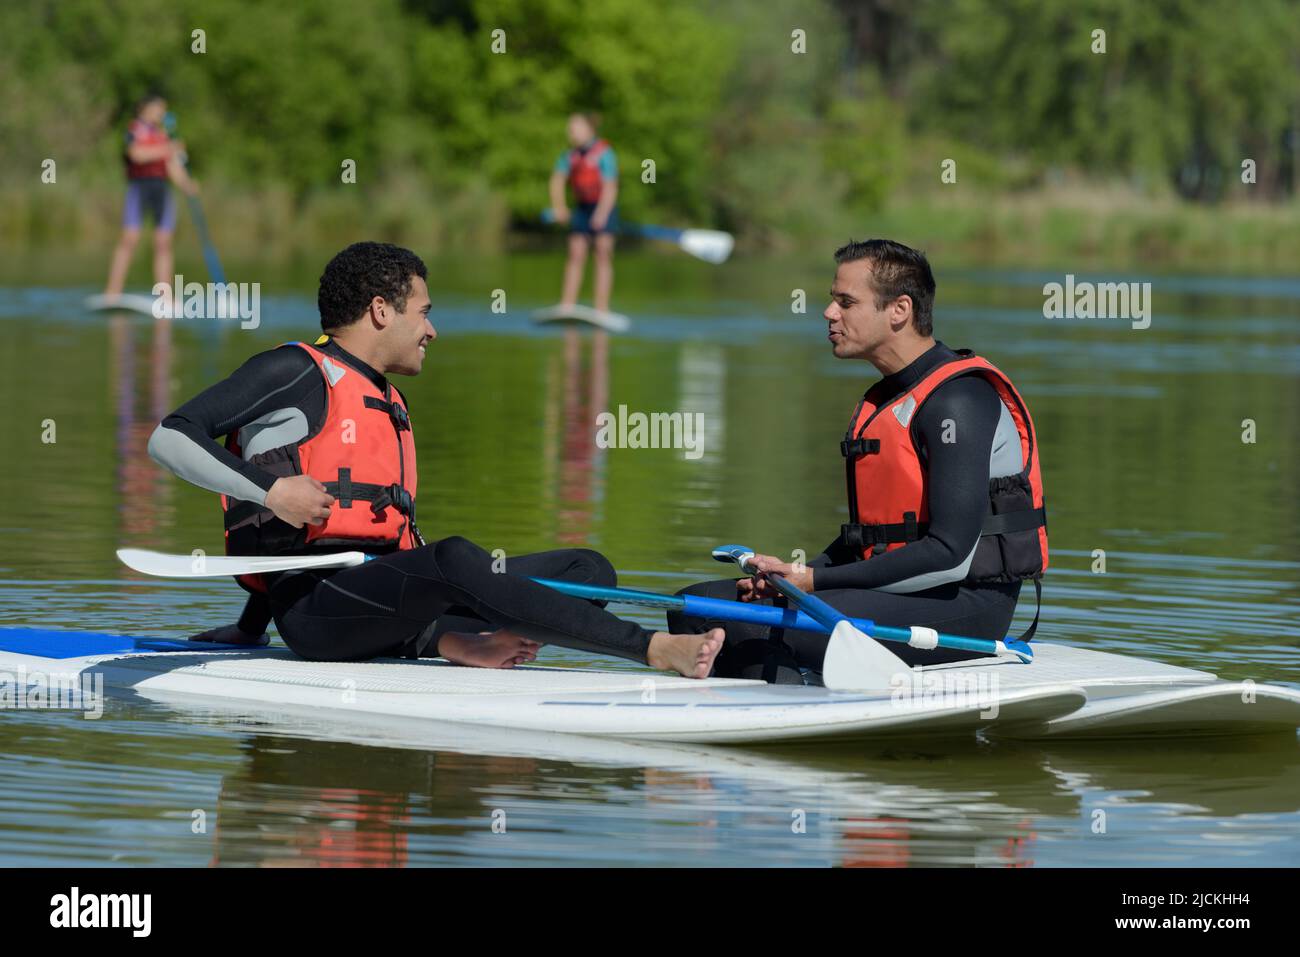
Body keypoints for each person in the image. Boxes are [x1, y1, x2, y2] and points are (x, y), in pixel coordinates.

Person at [147, 241, 722, 677]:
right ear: (380, 310)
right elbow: (172, 436)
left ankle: (450, 640)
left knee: (586, 570)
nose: (433, 331)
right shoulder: (293, 371)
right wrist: (273, 495)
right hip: (317, 613)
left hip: (387, 596)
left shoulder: (384, 396)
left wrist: (247, 632)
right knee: (453, 561)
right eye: (423, 312)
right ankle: (650, 648)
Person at [669, 239, 1048, 682]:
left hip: (964, 609)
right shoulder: (891, 397)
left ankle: (785, 718)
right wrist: (791, 575)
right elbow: (870, 540)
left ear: (899, 310)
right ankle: (778, 691)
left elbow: (949, 556)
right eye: (833, 300)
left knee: (748, 622)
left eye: (846, 302)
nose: (829, 313)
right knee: (692, 607)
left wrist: (815, 583)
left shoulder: (958, 400)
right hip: (903, 594)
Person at [103, 94, 198, 299]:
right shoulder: (135, 129)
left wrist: (186, 184)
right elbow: (136, 154)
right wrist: (168, 148)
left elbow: (172, 165)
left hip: (161, 189)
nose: (162, 113)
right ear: (145, 108)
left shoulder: (165, 135)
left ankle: (166, 297)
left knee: (163, 242)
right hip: (139, 187)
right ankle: (112, 292)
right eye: (159, 108)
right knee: (130, 239)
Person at [548, 113, 619, 313]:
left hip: (604, 206)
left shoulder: (604, 153)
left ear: (589, 129)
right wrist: (559, 207)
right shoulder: (570, 156)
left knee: (603, 253)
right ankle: (567, 305)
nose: (570, 132)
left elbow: (610, 186)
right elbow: (557, 180)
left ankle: (601, 309)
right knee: (575, 253)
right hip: (582, 208)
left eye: (574, 128)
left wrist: (602, 214)